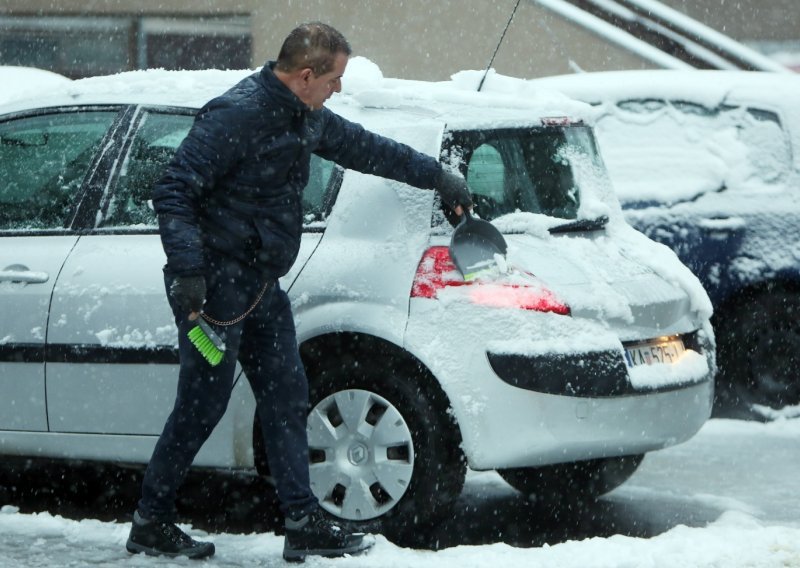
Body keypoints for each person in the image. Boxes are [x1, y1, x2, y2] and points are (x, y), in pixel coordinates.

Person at [124, 21, 472, 562]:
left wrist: (437, 176)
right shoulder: (236, 115)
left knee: (288, 397)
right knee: (201, 406)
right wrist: (189, 270)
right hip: (216, 285)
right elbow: (173, 189)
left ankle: (302, 521)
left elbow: (365, 147)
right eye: (334, 80)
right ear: (306, 75)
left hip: (261, 283)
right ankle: (151, 520)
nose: (337, 90)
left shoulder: (303, 116)